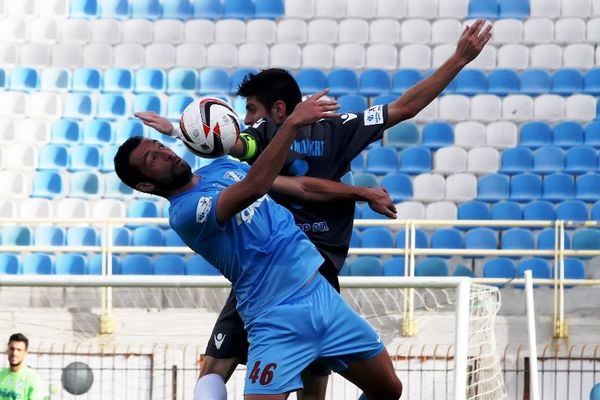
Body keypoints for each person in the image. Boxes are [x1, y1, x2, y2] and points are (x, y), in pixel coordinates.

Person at [135, 18, 493, 400]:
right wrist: (175, 131)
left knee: (226, 370)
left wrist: (458, 59)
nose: (248, 121)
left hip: (308, 271)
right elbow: (225, 149)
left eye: (253, 110)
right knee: (216, 369)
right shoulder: (286, 135)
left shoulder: (322, 130)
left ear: (277, 109)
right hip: (267, 276)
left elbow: (403, 108)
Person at [114, 90, 404, 399]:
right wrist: (292, 123)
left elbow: (300, 186)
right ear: (145, 185)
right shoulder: (185, 213)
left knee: (388, 390)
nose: (165, 154)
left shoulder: (219, 168)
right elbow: (255, 187)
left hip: (321, 296)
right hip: (275, 316)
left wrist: (363, 193)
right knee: (217, 372)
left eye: (159, 147)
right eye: (152, 159)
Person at [0, 333, 44, 400]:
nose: (14, 353)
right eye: (12, 349)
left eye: (19, 350)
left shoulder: (33, 379)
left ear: (25, 353)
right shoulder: (1, 375)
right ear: (7, 350)